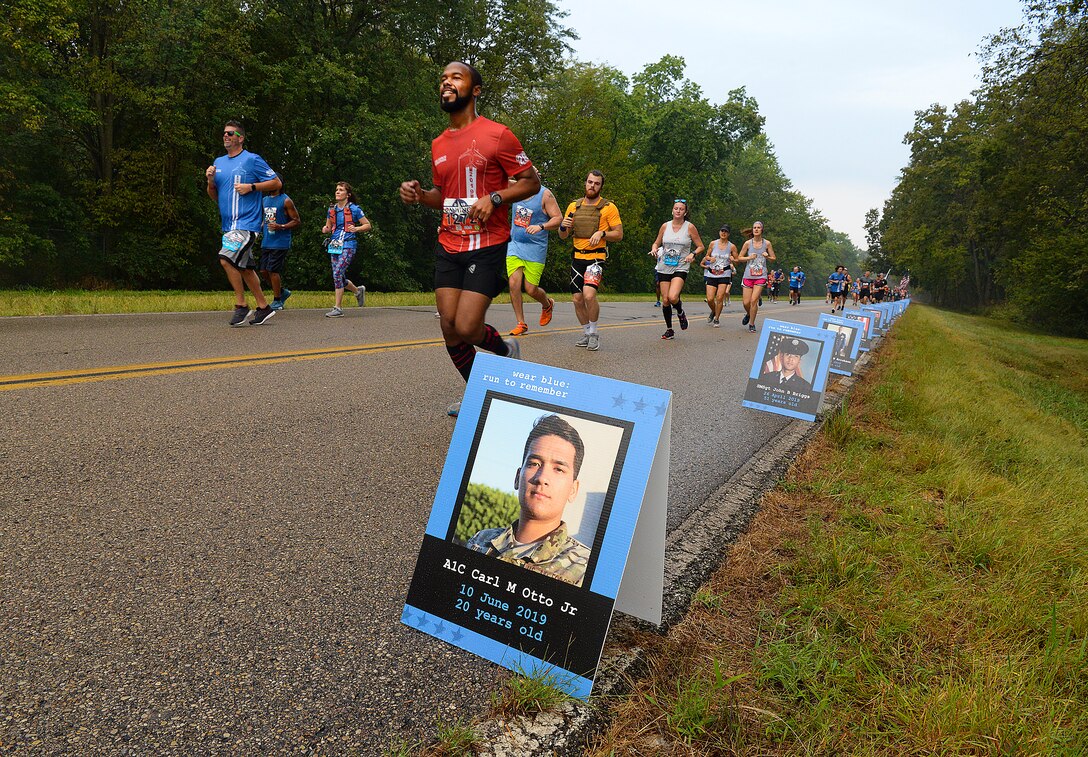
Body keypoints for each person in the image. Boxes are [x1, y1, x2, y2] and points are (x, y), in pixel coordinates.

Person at [399, 61, 538, 415]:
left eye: (456, 77)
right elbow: (441, 196)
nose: (447, 82)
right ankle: (479, 393)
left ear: (474, 90)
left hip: (487, 244)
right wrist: (419, 195)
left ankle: (506, 351)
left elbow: (530, 182)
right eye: (443, 78)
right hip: (449, 243)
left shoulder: (497, 134)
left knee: (467, 326)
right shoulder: (439, 144)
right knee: (449, 327)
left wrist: (494, 198)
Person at [465, 414, 590, 586]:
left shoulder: (584, 568)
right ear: (517, 477)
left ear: (573, 490)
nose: (542, 478)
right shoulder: (480, 541)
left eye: (559, 469)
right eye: (534, 464)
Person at [205, 120, 282, 327]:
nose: (226, 136)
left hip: (247, 224)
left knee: (225, 259)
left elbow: (276, 182)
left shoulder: (252, 160)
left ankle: (241, 305)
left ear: (241, 137)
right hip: (228, 226)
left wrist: (252, 187)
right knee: (246, 268)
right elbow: (214, 196)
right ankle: (264, 308)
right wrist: (210, 181)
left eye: (231, 133)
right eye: (224, 133)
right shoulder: (218, 163)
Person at [558, 171, 623, 351]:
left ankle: (594, 333)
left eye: (596, 183)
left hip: (596, 257)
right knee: (577, 299)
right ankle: (586, 333)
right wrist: (563, 227)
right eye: (589, 182)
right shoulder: (574, 206)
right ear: (585, 183)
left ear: (601, 186)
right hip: (577, 257)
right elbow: (563, 235)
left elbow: (618, 234)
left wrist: (602, 233)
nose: (592, 186)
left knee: (589, 295)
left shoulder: (609, 207)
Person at [506, 180, 561, 335]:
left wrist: (541, 226)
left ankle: (547, 304)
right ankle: (521, 323)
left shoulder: (545, 194)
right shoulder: (516, 188)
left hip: (536, 248)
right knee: (513, 283)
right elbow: (497, 178)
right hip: (515, 245)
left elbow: (558, 219)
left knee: (531, 289)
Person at [649, 199, 704, 339]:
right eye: (676, 208)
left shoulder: (690, 227)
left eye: (681, 209)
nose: (678, 211)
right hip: (664, 266)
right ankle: (669, 330)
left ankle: (680, 311)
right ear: (672, 210)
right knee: (666, 300)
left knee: (673, 297)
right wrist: (654, 248)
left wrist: (693, 254)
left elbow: (700, 246)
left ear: (685, 212)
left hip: (681, 265)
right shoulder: (665, 226)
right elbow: (656, 242)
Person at [321, 182, 371, 317]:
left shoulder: (354, 209)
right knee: (339, 276)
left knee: (337, 273)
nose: (337, 192)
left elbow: (367, 225)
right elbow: (328, 226)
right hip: (335, 245)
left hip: (348, 245)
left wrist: (357, 228)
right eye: (336, 189)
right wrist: (325, 229)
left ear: (347, 195)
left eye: (341, 190)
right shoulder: (331, 209)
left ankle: (337, 308)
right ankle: (357, 291)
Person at [259, 174, 300, 311]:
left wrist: (280, 226)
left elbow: (296, 221)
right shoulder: (264, 200)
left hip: (280, 241)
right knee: (264, 271)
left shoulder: (286, 200)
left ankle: (277, 301)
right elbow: (264, 218)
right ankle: (282, 292)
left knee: (273, 270)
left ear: (279, 184)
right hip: (267, 240)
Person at [732, 220, 775, 333]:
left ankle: (752, 323)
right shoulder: (747, 243)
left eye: (758, 227)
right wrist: (749, 258)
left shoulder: (767, 244)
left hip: (761, 275)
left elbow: (773, 258)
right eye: (754, 227)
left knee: (753, 300)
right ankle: (748, 313)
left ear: (762, 230)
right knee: (746, 303)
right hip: (748, 275)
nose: (756, 229)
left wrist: (767, 256)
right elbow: (739, 258)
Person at [701, 224, 735, 327]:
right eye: (722, 231)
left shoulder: (731, 246)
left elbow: (737, 259)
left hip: (724, 274)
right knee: (710, 299)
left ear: (728, 234)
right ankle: (714, 311)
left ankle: (716, 319)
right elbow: (707, 255)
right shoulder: (713, 243)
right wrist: (709, 258)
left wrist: (733, 259)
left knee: (719, 298)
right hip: (712, 273)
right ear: (719, 232)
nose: (723, 233)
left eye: (725, 231)